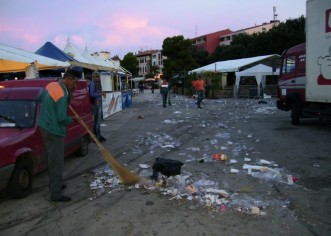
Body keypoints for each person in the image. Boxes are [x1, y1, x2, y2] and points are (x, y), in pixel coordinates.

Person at [38, 69, 81, 202]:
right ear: (68, 79)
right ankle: (55, 194)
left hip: (44, 126)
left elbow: (39, 98)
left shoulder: (52, 85)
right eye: (74, 82)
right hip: (54, 131)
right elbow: (62, 118)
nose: (75, 86)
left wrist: (50, 108)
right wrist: (73, 118)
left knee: (53, 159)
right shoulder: (63, 95)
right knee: (57, 162)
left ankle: (55, 185)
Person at [89, 71, 106, 142]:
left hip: (98, 102)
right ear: (93, 77)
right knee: (96, 121)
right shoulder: (93, 83)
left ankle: (98, 134)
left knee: (98, 121)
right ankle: (96, 136)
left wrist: (100, 94)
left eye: (98, 76)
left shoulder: (98, 83)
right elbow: (92, 94)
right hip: (96, 104)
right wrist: (99, 94)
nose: (98, 78)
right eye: (96, 76)